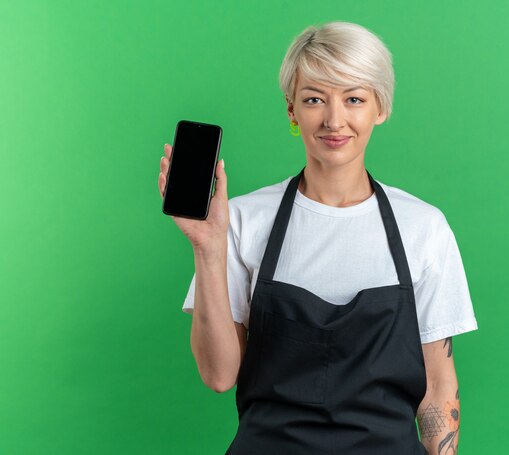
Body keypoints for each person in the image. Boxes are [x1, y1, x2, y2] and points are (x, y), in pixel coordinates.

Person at [158, 21, 478, 454]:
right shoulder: (242, 220)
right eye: (314, 99)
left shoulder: (423, 228)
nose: (334, 119)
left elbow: (439, 386)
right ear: (292, 109)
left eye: (354, 99)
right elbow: (218, 376)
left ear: (380, 108)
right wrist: (207, 247)